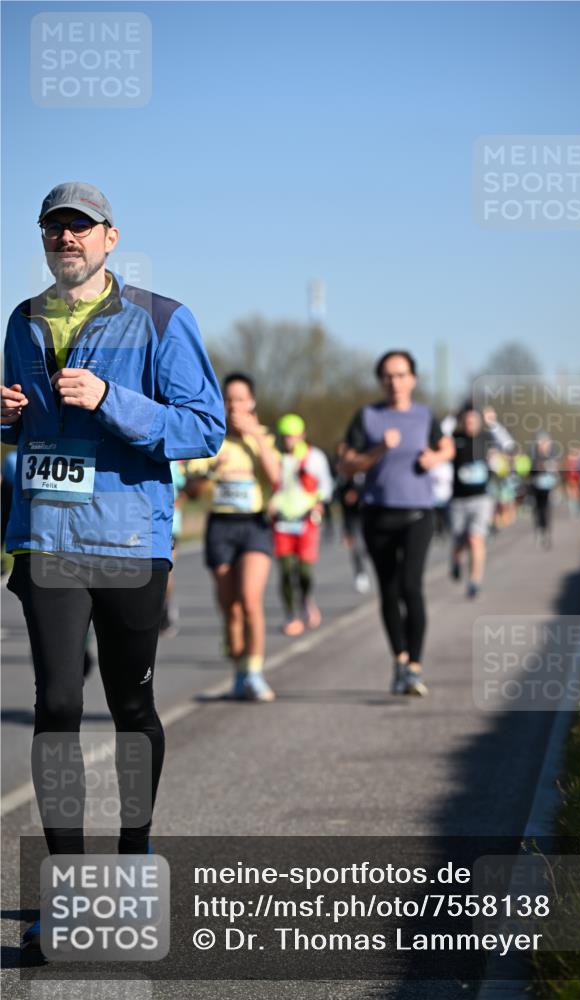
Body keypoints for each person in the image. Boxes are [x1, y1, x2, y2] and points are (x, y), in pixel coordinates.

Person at [1, 182, 225, 952]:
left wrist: (109, 398)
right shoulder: (22, 322)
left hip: (130, 544)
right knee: (58, 703)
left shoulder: (163, 319)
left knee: (131, 709)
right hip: (47, 539)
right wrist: (5, 420)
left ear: (109, 238)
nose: (66, 239)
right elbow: (26, 433)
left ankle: (134, 858)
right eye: (53, 229)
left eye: (80, 228)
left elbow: (204, 429)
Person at [342, 350, 453, 696]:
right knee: (388, 590)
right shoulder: (367, 417)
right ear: (380, 381)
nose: (395, 382)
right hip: (378, 513)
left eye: (402, 375)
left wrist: (435, 456)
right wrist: (376, 451)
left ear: (413, 379)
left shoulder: (424, 416)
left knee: (411, 585)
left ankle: (415, 667)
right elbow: (347, 464)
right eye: (388, 376)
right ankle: (400, 661)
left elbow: (447, 447)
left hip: (418, 513)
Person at [186, 373, 280, 701]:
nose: (235, 405)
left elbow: (277, 478)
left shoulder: (263, 437)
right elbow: (193, 490)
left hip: (254, 525)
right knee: (231, 607)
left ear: (252, 402)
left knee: (250, 599)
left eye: (241, 399)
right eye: (229, 399)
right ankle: (240, 668)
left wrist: (254, 435)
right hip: (220, 527)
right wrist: (212, 470)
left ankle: (255, 672)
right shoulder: (212, 438)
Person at [270, 413, 334, 636]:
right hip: (281, 522)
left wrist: (319, 503)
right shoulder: (276, 457)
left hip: (306, 520)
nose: (289, 441)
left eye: (293, 436)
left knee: (304, 571)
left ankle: (306, 597)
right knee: (286, 570)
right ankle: (291, 614)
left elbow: (326, 485)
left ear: (302, 435)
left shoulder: (314, 457)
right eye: (286, 436)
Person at [449, 402, 513, 599]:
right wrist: (453, 417)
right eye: (466, 420)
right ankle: (456, 561)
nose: (470, 423)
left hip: (482, 499)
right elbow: (436, 440)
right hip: (458, 500)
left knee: (476, 539)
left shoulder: (486, 439)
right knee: (460, 541)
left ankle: (474, 582)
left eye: (474, 420)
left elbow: (508, 446)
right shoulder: (454, 439)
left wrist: (493, 423)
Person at [335, 443, 371, 593]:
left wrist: (359, 494)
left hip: (368, 514)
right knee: (357, 547)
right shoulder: (342, 473)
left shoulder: (365, 468)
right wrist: (345, 530)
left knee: (368, 547)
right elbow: (340, 497)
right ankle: (360, 574)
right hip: (352, 517)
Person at [159, 459, 187, 637]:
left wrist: (175, 502)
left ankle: (165, 608)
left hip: (170, 526)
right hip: (146, 522)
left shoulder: (176, 464)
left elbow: (185, 492)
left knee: (165, 572)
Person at [529, 431, 560, 548]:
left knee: (547, 510)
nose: (542, 445)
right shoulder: (532, 454)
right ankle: (539, 530)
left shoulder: (553, 454)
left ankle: (546, 532)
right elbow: (529, 471)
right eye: (540, 442)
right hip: (536, 487)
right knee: (537, 510)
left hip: (549, 487)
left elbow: (556, 471)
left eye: (545, 442)